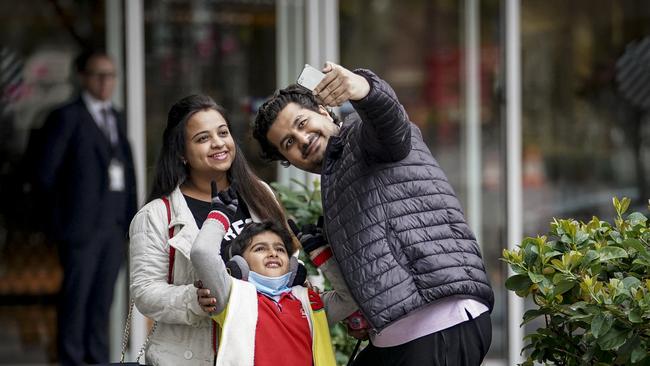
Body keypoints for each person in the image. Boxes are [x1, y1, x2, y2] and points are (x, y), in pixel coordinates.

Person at [250, 62, 495, 365]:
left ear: (325, 111)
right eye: (288, 143)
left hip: (438, 322)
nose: (302, 139)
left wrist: (362, 88)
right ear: (286, 159)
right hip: (399, 335)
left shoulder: (360, 137)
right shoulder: (336, 178)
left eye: (302, 123)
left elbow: (390, 123)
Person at [128, 94, 287, 365]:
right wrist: (194, 300)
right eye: (202, 138)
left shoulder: (259, 194)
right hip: (193, 356)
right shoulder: (156, 215)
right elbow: (145, 292)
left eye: (222, 132)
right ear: (181, 153)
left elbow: (288, 263)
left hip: (262, 350)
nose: (218, 143)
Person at [35, 50, 137, 365]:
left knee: (102, 302)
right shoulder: (67, 116)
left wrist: (131, 222)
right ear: (83, 77)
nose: (106, 82)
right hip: (80, 229)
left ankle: (97, 359)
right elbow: (44, 175)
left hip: (113, 227)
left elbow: (127, 170)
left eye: (111, 75)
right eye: (98, 74)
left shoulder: (115, 116)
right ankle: (71, 359)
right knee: (75, 301)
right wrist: (62, 223)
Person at [190, 187, 357, 366]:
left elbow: (352, 297)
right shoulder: (231, 296)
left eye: (280, 249)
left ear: (293, 264)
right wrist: (219, 217)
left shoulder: (309, 301)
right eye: (260, 248)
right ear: (240, 264)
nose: (272, 253)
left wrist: (322, 254)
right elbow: (202, 253)